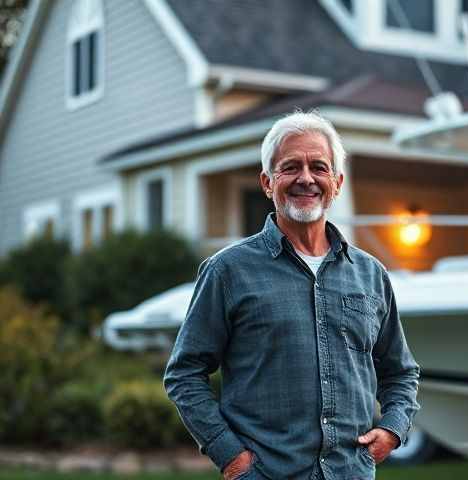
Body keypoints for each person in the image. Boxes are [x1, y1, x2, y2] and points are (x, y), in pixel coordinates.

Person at [164, 111, 420, 480]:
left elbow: (400, 370)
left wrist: (393, 427)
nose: (306, 178)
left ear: (337, 182)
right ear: (268, 182)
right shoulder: (227, 271)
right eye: (290, 167)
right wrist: (231, 457)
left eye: (319, 167)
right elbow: (184, 374)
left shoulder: (371, 274)